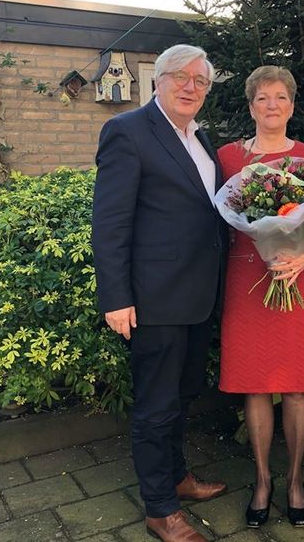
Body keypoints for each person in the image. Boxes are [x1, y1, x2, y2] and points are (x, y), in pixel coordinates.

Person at [92, 44, 228, 542]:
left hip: (198, 296)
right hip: (154, 299)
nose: (192, 87)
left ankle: (176, 477)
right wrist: (115, 297)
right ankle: (160, 510)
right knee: (155, 406)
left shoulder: (200, 138)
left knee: (183, 395)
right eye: (181, 77)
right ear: (158, 80)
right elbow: (110, 223)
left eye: (201, 81)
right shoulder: (127, 131)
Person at [218, 66, 304, 529]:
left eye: (280, 96)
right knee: (256, 383)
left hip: (302, 279)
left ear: (291, 105)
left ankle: (295, 479)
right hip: (247, 280)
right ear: (251, 106)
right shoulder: (228, 157)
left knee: (299, 383)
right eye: (263, 97)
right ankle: (263, 479)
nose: (272, 105)